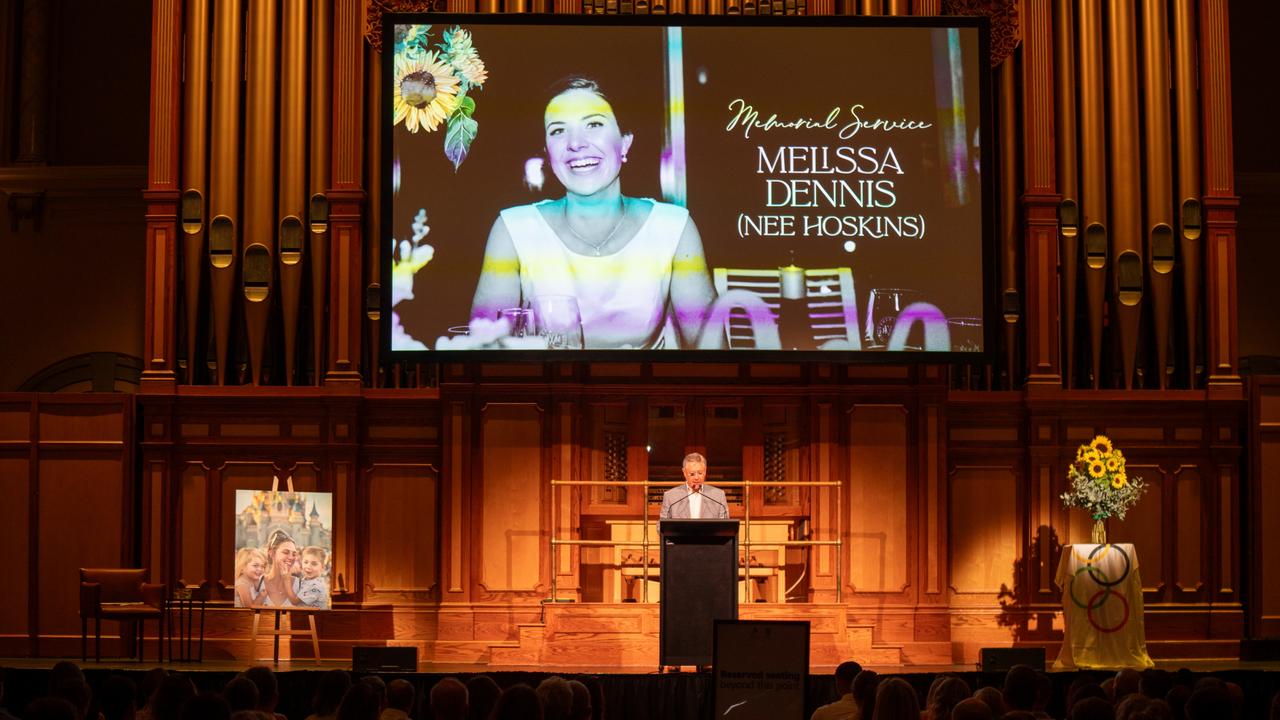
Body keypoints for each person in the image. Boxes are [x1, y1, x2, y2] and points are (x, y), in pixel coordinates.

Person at [469, 76, 718, 350]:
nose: (576, 143)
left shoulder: (673, 228)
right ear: (548, 152)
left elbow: (712, 353)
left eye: (594, 124)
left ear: (625, 143)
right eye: (558, 131)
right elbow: (486, 351)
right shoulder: (513, 230)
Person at [660, 453, 728, 519]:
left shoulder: (718, 496)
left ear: (705, 471)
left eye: (700, 473)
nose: (696, 477)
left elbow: (726, 526)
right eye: (692, 474)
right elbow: (660, 526)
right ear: (684, 472)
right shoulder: (670, 496)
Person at [257, 531, 301, 608]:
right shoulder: (257, 583)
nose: (291, 557)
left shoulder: (301, 585)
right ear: (272, 553)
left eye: (294, 554)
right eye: (286, 552)